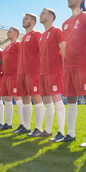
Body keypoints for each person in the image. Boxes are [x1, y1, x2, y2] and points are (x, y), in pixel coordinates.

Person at [61, 0, 86, 146]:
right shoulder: (65, 23)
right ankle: (70, 133)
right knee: (70, 99)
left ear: (80, 0)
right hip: (68, 66)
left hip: (82, 64)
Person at [34, 8, 66, 141]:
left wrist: (63, 69)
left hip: (54, 72)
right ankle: (47, 130)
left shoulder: (57, 31)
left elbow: (64, 50)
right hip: (43, 73)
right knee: (47, 101)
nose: (40, 15)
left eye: (43, 13)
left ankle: (61, 132)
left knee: (57, 100)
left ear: (51, 16)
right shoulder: (42, 36)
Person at [14, 13, 43, 135]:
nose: (23, 20)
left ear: (33, 22)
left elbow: (43, 51)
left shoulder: (37, 34)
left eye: (26, 19)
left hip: (33, 71)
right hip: (22, 72)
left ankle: (39, 128)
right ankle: (26, 126)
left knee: (36, 98)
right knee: (25, 99)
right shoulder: (23, 39)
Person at [1, 27, 23, 131]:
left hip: (14, 75)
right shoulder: (6, 47)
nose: (7, 33)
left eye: (10, 31)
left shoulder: (18, 45)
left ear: (16, 34)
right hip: (5, 76)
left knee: (17, 98)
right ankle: (8, 123)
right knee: (7, 99)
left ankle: (23, 124)